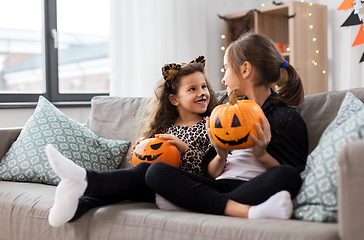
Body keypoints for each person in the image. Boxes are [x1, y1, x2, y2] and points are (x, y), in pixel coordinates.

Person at [145, 32, 308, 219]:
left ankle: (193, 202)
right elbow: (210, 174)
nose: (223, 79)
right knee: (156, 172)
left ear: (245, 69)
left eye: (226, 69)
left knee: (288, 176)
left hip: (252, 186)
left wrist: (261, 154)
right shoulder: (226, 112)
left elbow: (295, 172)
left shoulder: (284, 116)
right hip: (220, 185)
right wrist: (220, 153)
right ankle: (242, 210)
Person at [45, 56, 218, 227]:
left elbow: (211, 171)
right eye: (192, 89)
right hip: (156, 187)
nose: (202, 92)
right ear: (174, 99)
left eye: (204, 87)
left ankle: (84, 178)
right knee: (122, 188)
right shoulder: (164, 128)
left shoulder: (210, 125)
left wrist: (184, 148)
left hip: (186, 188)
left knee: (144, 171)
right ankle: (75, 207)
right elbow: (144, 165)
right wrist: (141, 151)